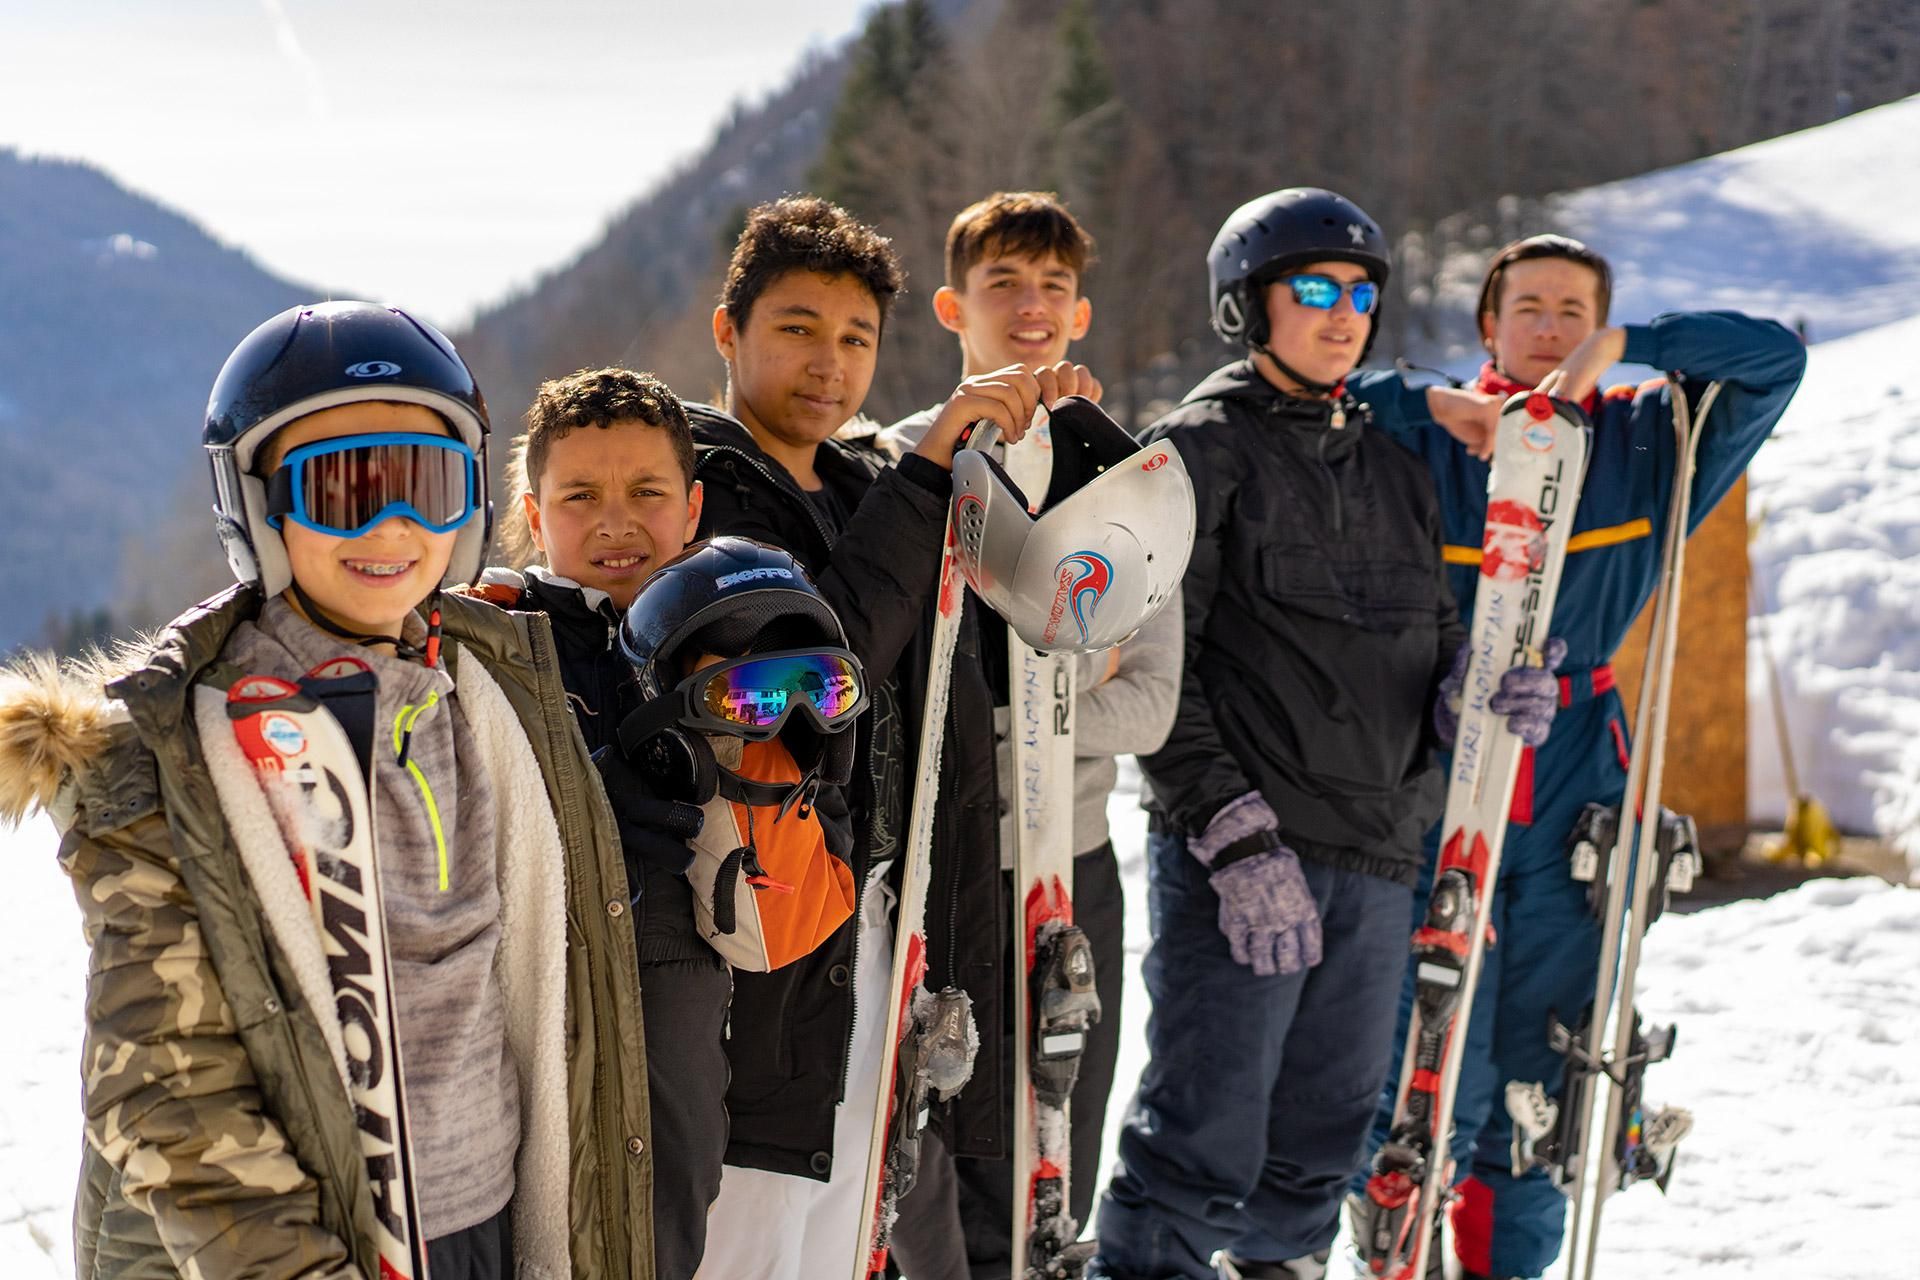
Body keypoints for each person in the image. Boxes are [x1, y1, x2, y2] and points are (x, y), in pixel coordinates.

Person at [0, 301, 654, 1280]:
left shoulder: (497, 690)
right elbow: (172, 1098)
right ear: (256, 509)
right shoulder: (170, 756)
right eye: (342, 488)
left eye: (424, 483)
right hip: (287, 1242)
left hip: (484, 1212)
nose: (391, 521)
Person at [1086, 189, 1564, 1280]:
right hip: (1252, 854)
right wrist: (1228, 828)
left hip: (1381, 855)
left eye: (1361, 291)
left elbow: (1438, 636)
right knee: (1202, 1133)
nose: (1343, 311)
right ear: (1244, 306)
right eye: (1313, 288)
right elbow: (1161, 670)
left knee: (1319, 1144)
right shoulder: (1194, 454)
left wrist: (1474, 697)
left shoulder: (1395, 467)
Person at [1346, 233, 1808, 1280]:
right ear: (1488, 325)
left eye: (1573, 310)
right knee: (1419, 1049)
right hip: (1431, 763)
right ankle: (1394, 1253)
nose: (1549, 328)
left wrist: (1630, 348)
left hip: (1578, 780)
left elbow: (1775, 360)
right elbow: (1315, 394)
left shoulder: (1655, 439)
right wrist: (1431, 404)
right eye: (1530, 308)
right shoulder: (1427, 439)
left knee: (1546, 1061)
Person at [686, 195, 1063, 1280]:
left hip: (885, 911)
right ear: (730, 331)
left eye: (857, 338)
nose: (830, 362)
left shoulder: (862, 479)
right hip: (770, 920)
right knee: (764, 1229)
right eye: (797, 328)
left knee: (855, 1227)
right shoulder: (700, 488)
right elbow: (824, 662)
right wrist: (928, 469)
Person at [879, 190, 1180, 1279]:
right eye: (1004, 282)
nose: (1032, 304)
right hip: (950, 871)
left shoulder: (1133, 481)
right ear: (955, 307)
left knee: (1058, 1148)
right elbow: (903, 688)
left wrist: (1020, 724)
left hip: (1074, 866)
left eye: (1053, 283)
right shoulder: (905, 462)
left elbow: (1148, 704)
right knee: (946, 1164)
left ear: (1083, 311)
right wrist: (1043, 704)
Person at [463, 366, 724, 1280]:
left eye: (646, 492)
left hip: (687, 1014)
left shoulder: (737, 633)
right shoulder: (493, 651)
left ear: (691, 508)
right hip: (532, 1006)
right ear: (535, 516)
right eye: (581, 496)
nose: (616, 521)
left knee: (664, 1232)